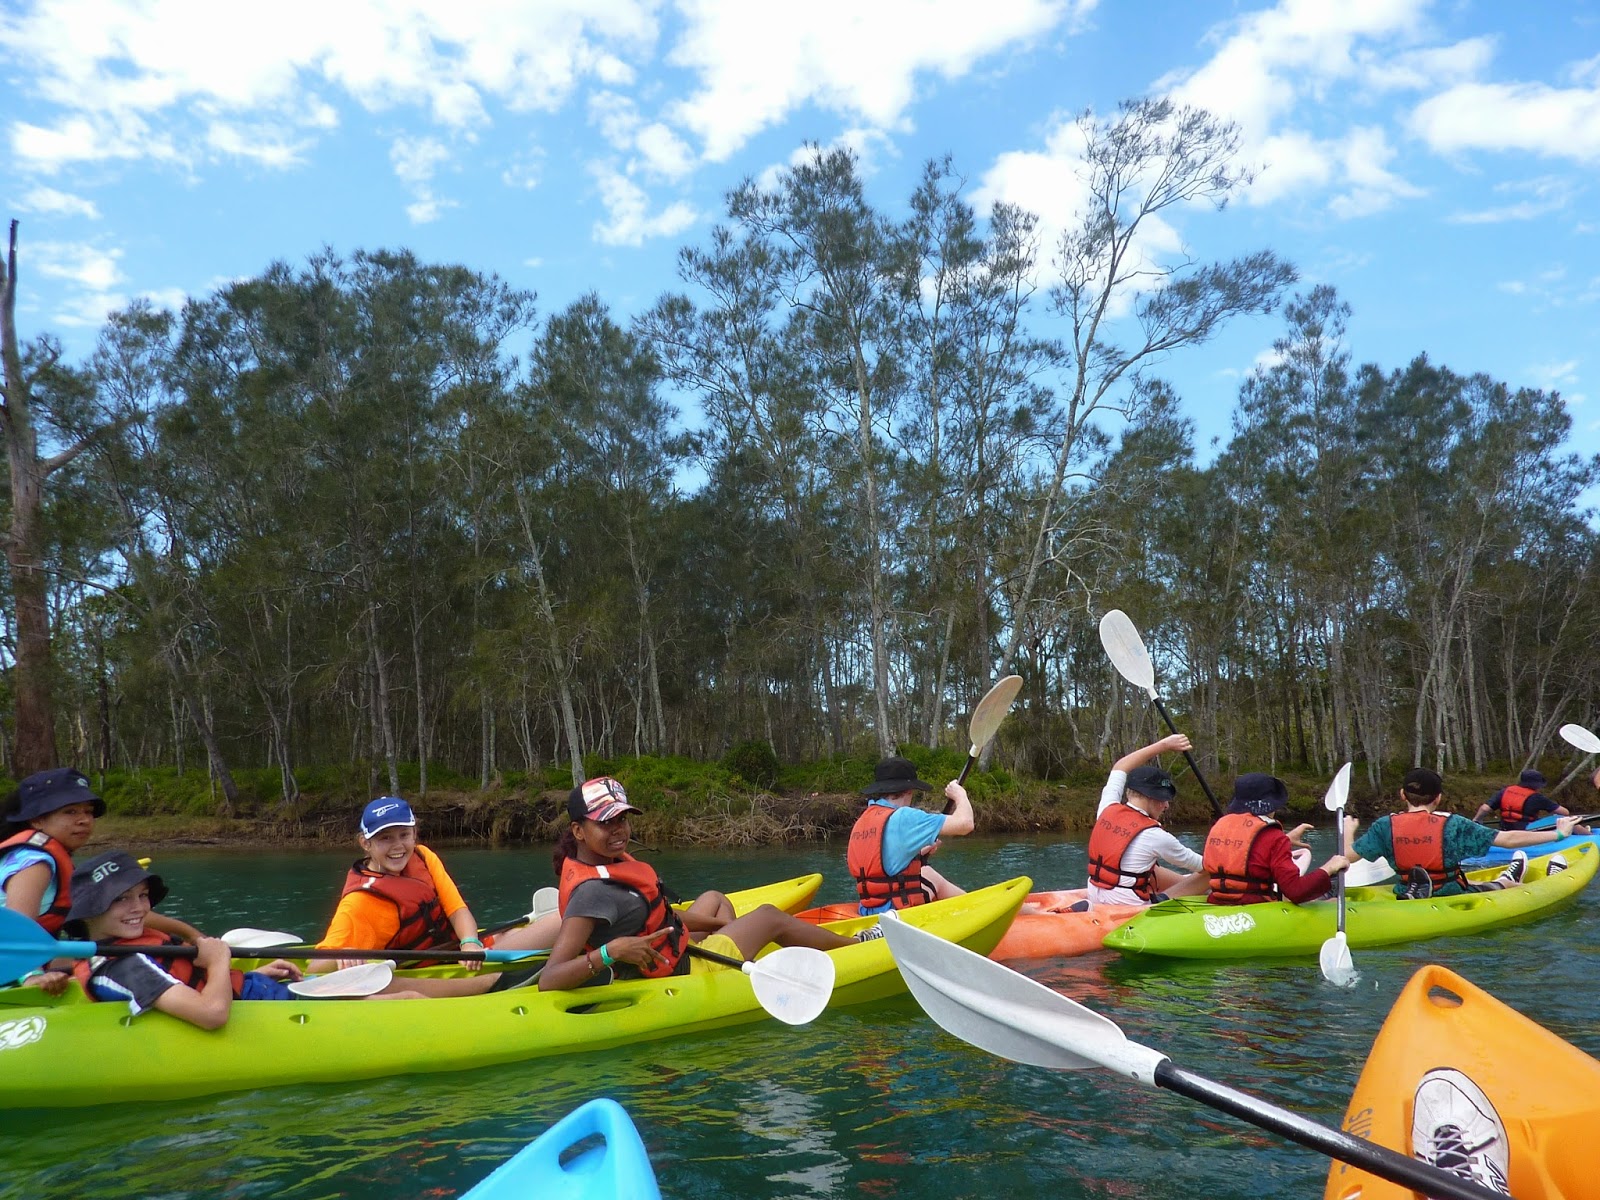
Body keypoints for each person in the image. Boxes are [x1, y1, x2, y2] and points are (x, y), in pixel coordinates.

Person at [67, 851, 531, 1028]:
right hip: (268, 1009)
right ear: (89, 914)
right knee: (397, 995)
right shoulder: (126, 965)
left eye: (140, 896)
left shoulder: (121, 950)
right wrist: (217, 958)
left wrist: (245, 972)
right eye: (119, 901)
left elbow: (186, 970)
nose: (137, 909)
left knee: (382, 984)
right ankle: (497, 1002)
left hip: (264, 989)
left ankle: (494, 987)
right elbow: (210, 1015)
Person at [540, 777, 864, 992]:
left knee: (713, 898)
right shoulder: (591, 893)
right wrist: (611, 952)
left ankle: (735, 967)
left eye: (622, 819)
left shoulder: (608, 865)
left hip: (670, 950)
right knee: (768, 916)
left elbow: (662, 917)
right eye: (605, 823)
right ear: (579, 831)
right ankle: (858, 948)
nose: (618, 830)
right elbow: (550, 979)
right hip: (677, 974)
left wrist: (719, 926)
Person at [1, 768, 200, 991]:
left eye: (88, 812)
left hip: (19, 963)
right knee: (114, 956)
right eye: (71, 812)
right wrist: (30, 976)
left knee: (117, 948)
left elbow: (115, 910)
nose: (84, 820)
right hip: (13, 971)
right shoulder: (36, 863)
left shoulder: (45, 855)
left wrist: (190, 934)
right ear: (37, 820)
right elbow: (14, 928)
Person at [309, 796, 558, 974]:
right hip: (435, 971)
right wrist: (342, 956)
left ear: (414, 834)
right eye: (385, 838)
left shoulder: (424, 857)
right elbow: (316, 966)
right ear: (365, 844)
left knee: (515, 932)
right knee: (563, 920)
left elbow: (456, 910)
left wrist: (470, 942)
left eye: (404, 835)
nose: (398, 846)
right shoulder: (359, 902)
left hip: (465, 952)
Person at [1348, 767, 1581, 899]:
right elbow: (1508, 840)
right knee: (1507, 889)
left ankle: (1510, 875)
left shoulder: (1383, 826)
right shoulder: (1454, 824)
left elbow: (1347, 857)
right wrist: (1559, 835)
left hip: (1404, 889)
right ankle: (1515, 881)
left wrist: (1347, 831)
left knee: (1479, 879)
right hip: (1451, 892)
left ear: (1402, 794)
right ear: (1438, 798)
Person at [1085, 734, 1207, 904]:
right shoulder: (1154, 836)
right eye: (1163, 799)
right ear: (1149, 797)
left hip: (1096, 893)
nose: (1166, 806)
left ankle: (1187, 883)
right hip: (1127, 906)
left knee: (1153, 868)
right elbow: (1206, 865)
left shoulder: (1107, 808)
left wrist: (1164, 745)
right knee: (1211, 874)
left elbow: (1120, 767)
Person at [848, 756, 972, 914]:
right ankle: (978, 913)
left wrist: (918, 853)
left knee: (925, 871)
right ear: (909, 790)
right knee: (933, 877)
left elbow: (882, 861)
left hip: (868, 909)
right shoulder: (905, 817)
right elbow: (965, 824)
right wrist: (960, 795)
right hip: (897, 913)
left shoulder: (864, 819)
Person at [1203, 773, 1349, 906]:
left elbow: (1248, 852)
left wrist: (1285, 840)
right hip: (1256, 908)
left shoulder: (1220, 825)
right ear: (1272, 805)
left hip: (1217, 901)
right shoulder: (1274, 837)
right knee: (1332, 901)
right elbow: (1296, 892)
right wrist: (1330, 867)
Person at [1472, 768, 1567, 830]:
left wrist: (1477, 820)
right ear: (1537, 785)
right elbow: (1564, 812)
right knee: (1564, 818)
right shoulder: (1537, 798)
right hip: (1527, 832)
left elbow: (1485, 808)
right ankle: (1582, 837)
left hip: (1505, 830)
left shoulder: (1505, 791)